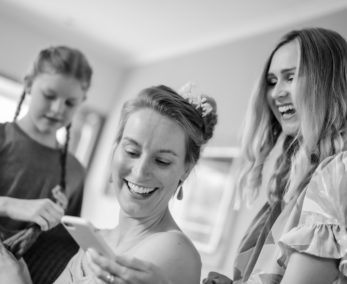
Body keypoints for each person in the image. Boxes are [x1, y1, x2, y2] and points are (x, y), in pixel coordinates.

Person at [203, 27, 347, 283]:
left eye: (291, 77)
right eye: (272, 82)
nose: (276, 92)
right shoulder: (298, 185)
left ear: (328, 83)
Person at [51, 84, 218, 284]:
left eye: (162, 161)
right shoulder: (96, 238)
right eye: (131, 152)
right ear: (115, 151)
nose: (139, 172)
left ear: (185, 171)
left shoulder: (174, 248)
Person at [0, 45, 93, 283]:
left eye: (70, 103)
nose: (57, 109)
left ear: (82, 101)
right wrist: (9, 205)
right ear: (29, 83)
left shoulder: (75, 172)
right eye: (49, 95)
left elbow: (61, 250)